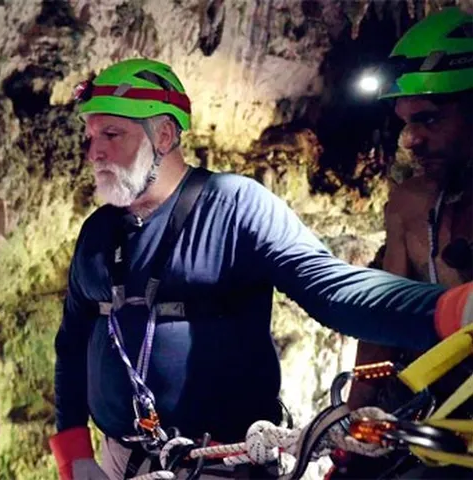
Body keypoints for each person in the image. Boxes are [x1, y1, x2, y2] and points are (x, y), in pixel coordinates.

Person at [48, 58, 453, 480]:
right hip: (120, 459)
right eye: (92, 135)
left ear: (164, 135)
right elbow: (73, 343)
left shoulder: (235, 207)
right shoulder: (98, 232)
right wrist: (73, 452)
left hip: (221, 462)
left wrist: (449, 308)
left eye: (111, 134)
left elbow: (334, 291)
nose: (95, 151)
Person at [334, 7, 473, 479]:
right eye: (405, 121)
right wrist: (353, 421)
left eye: (429, 120)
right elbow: (383, 328)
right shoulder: (411, 207)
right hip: (431, 426)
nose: (410, 139)